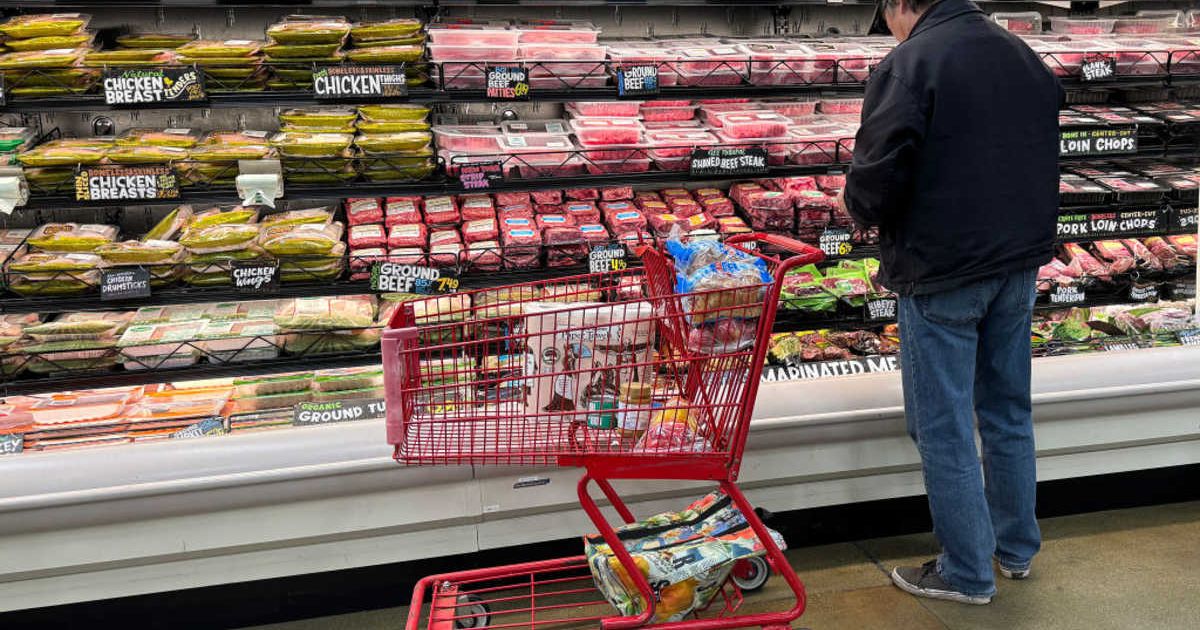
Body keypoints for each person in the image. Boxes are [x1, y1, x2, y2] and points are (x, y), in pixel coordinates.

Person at [838, 0, 1064, 605]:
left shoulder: (910, 65)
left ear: (900, 5)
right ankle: (1014, 550)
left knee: (942, 426)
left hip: (942, 271)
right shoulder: (1021, 53)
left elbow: (877, 175)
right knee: (1007, 410)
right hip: (1017, 262)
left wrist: (856, 208)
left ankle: (966, 572)